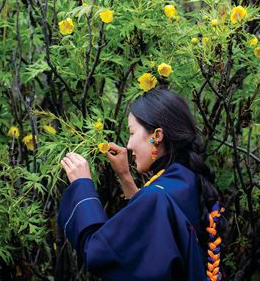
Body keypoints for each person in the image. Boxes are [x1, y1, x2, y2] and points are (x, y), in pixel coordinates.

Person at [58, 87, 226, 281]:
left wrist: (82, 186)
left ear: (157, 136)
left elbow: (98, 251)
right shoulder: (187, 179)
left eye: (132, 132)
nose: (129, 146)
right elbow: (156, 227)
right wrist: (124, 176)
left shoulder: (157, 196)